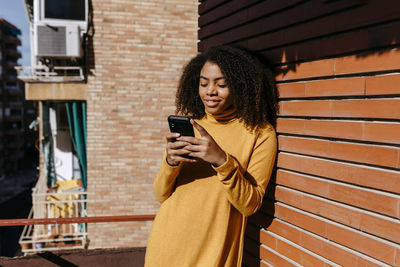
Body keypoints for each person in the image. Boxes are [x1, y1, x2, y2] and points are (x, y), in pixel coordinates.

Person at [145, 45, 278, 267]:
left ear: (240, 86)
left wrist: (221, 161)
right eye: (203, 83)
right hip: (167, 242)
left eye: (222, 84)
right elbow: (160, 194)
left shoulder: (259, 133)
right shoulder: (192, 124)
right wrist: (171, 162)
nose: (210, 91)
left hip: (214, 249)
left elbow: (250, 204)